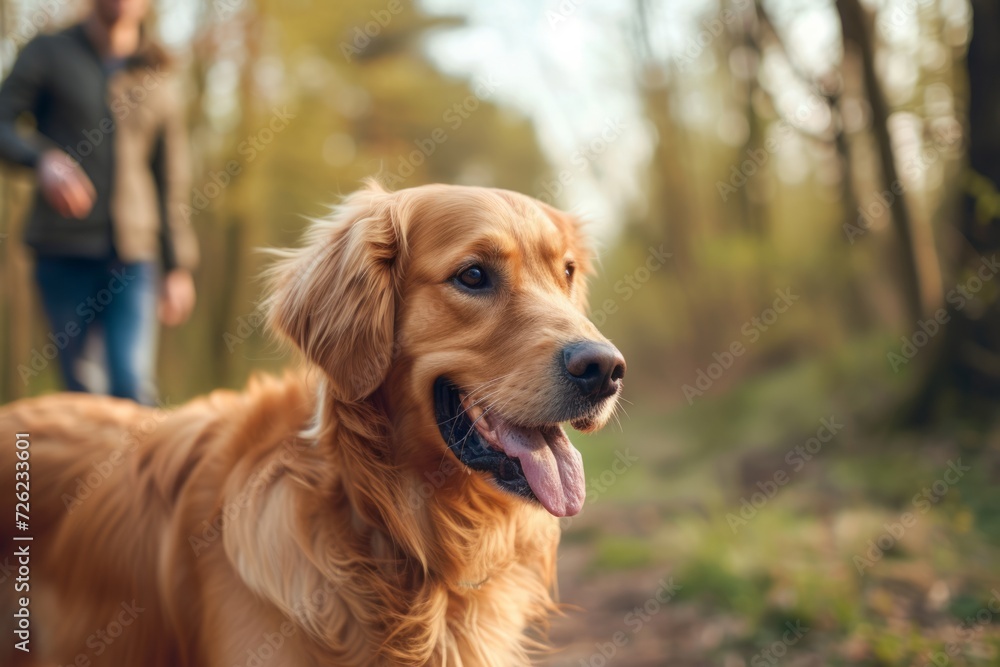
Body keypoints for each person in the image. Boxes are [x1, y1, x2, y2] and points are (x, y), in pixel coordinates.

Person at [0, 0, 198, 405]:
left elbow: (170, 179)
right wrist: (42, 159)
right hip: (62, 252)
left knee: (132, 386)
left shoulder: (157, 71)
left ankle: (144, 470)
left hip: (134, 256)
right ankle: (72, 469)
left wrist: (178, 265)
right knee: (84, 392)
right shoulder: (48, 52)